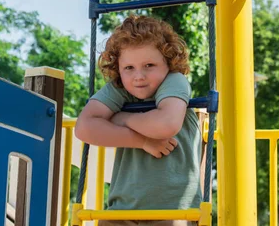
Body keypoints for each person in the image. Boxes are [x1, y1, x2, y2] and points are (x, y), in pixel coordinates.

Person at [75, 15, 202, 225]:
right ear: (118, 69)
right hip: (122, 210)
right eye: (129, 68)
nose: (138, 76)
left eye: (149, 65)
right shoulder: (120, 89)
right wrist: (142, 141)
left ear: (169, 63)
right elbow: (84, 128)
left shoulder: (174, 81)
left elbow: (166, 124)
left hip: (173, 210)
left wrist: (124, 118)